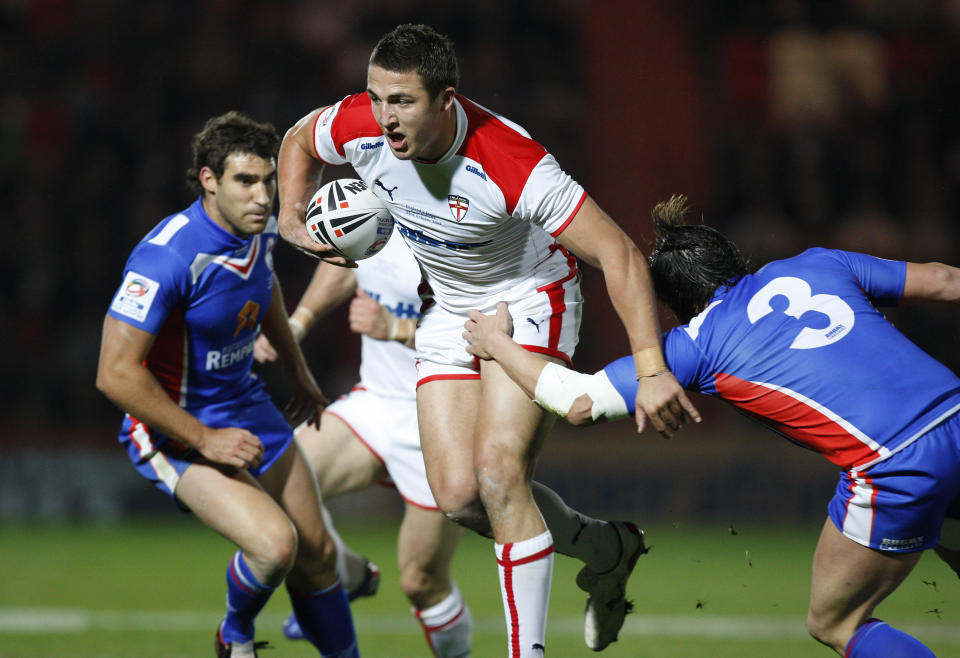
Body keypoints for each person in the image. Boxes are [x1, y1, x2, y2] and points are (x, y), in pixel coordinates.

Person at [275, 23, 701, 656]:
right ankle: (608, 552)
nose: (385, 119)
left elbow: (618, 254)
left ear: (447, 99)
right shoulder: (359, 123)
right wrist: (289, 217)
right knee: (457, 497)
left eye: (404, 102)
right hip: (448, 305)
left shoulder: (509, 161)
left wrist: (652, 368)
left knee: (499, 473)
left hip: (529, 295)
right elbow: (297, 139)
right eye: (376, 98)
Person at [462, 194, 960, 658]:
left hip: (895, 464)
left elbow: (577, 402)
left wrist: (497, 344)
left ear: (677, 305)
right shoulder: (818, 262)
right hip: (954, 415)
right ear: (733, 260)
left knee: (835, 622)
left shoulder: (694, 343)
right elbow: (942, 279)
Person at [95, 112, 359, 658]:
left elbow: (266, 290)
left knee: (319, 555)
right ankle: (233, 635)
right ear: (209, 179)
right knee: (275, 547)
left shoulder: (258, 229)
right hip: (172, 426)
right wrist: (203, 437)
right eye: (245, 181)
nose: (262, 196)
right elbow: (114, 373)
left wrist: (297, 369)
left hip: (246, 403)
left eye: (268, 181)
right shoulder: (167, 256)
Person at [254, 230, 474, 657]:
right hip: (375, 401)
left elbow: (488, 332)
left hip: (441, 420)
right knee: (276, 486)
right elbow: (346, 265)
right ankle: (349, 575)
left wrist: (397, 328)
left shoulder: (464, 219)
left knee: (421, 582)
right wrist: (297, 325)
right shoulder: (376, 201)